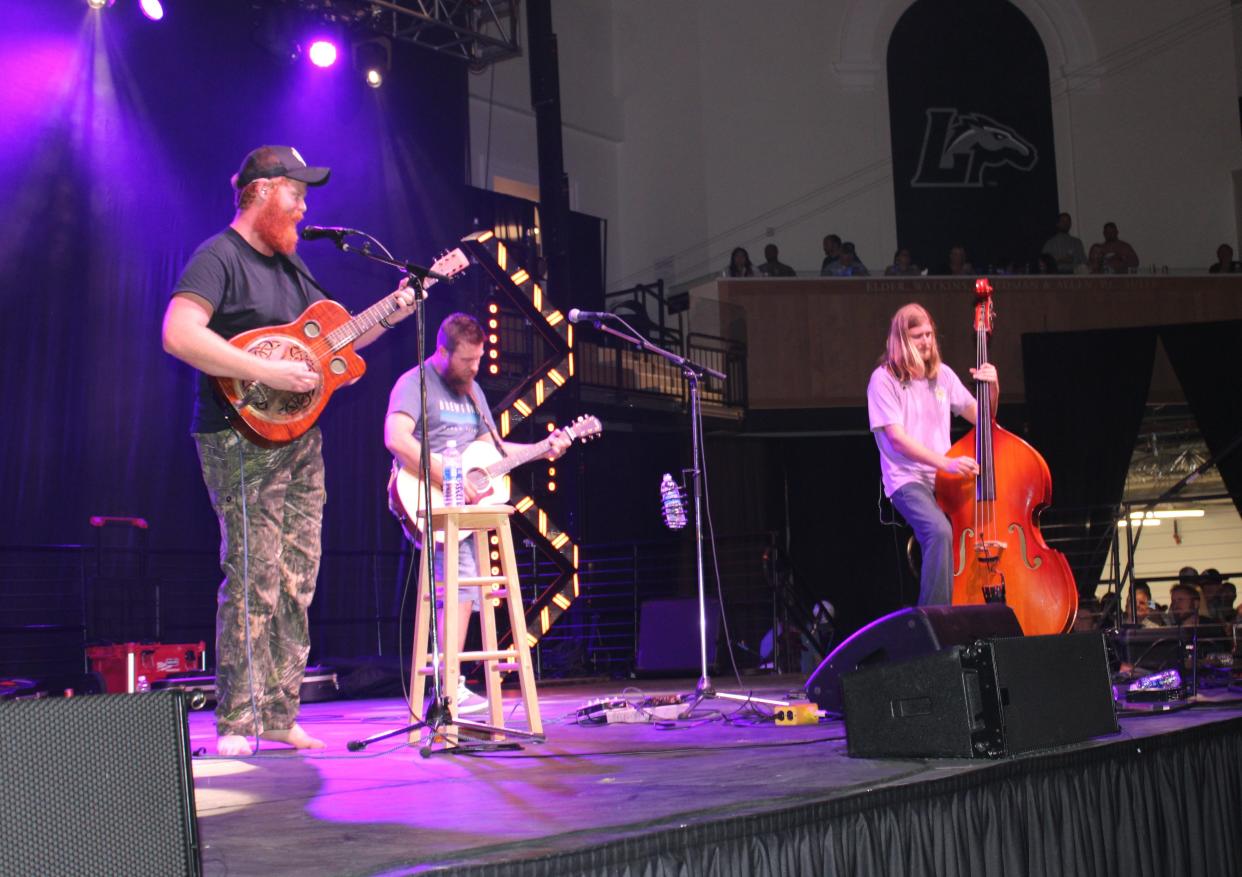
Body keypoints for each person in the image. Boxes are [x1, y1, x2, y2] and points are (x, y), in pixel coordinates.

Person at [162, 145, 419, 756]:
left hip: (302, 439)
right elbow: (179, 333)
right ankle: (238, 721)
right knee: (255, 575)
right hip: (238, 436)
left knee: (299, 576)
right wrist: (264, 371)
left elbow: (335, 344)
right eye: (295, 193)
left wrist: (396, 308)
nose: (305, 206)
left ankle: (280, 712)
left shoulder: (294, 270)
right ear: (260, 192)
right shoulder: (218, 256)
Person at [384, 313, 572, 711]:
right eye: (467, 360)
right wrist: (448, 475)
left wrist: (544, 447)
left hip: (462, 506)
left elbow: (496, 452)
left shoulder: (473, 391)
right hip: (425, 497)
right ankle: (446, 686)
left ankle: (449, 683)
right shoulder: (414, 383)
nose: (475, 368)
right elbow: (396, 439)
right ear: (442, 352)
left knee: (467, 584)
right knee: (461, 579)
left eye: (478, 360)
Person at [867, 303, 998, 606]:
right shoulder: (883, 379)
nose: (926, 341)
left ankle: (972, 604)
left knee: (973, 531)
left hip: (943, 477)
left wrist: (993, 387)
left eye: (929, 334)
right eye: (917, 336)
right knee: (939, 532)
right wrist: (946, 462)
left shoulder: (943, 376)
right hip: (907, 479)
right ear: (901, 340)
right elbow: (897, 440)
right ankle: (934, 620)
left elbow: (985, 420)